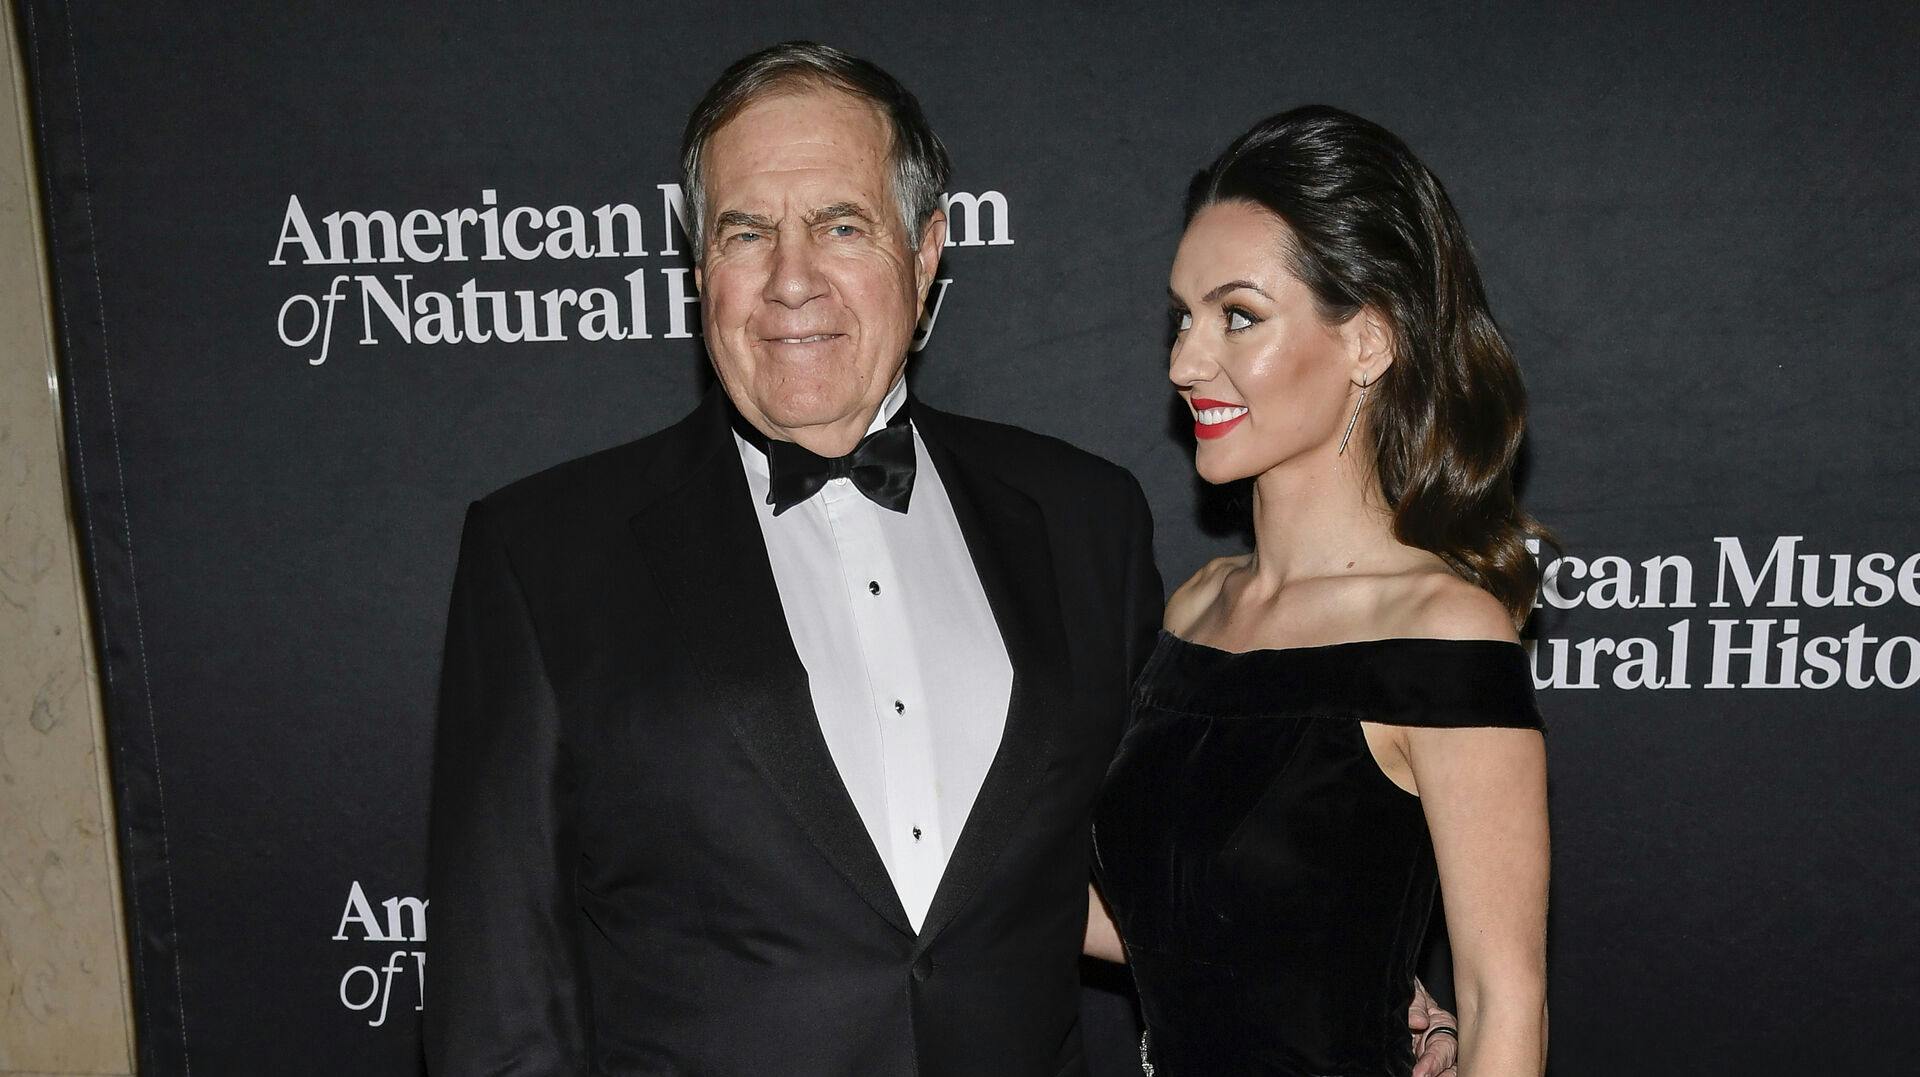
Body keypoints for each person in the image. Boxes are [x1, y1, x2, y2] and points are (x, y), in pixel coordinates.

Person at [424, 43, 1460, 1076]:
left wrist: (1330, 976)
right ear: (700, 266)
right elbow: (496, 1010)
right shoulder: (546, 552)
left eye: (841, 226)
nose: (792, 281)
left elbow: (1163, 858)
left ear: (925, 255)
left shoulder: (1082, 518)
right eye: (746, 231)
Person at [1087, 107, 1551, 1076]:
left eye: (1238, 316)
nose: (1183, 362)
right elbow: (1175, 934)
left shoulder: (1442, 635)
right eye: (1183, 315)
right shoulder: (1198, 608)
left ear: (1370, 342)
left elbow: (1506, 1003)